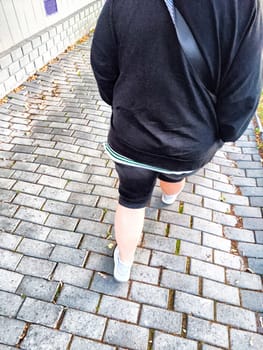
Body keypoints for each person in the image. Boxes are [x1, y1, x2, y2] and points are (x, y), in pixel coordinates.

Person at [91, 0, 262, 282]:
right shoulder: (243, 6)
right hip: (190, 141)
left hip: (130, 134)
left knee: (131, 198)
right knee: (173, 170)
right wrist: (228, 129)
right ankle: (170, 195)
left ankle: (123, 265)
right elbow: (245, 86)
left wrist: (119, 102)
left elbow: (102, 60)